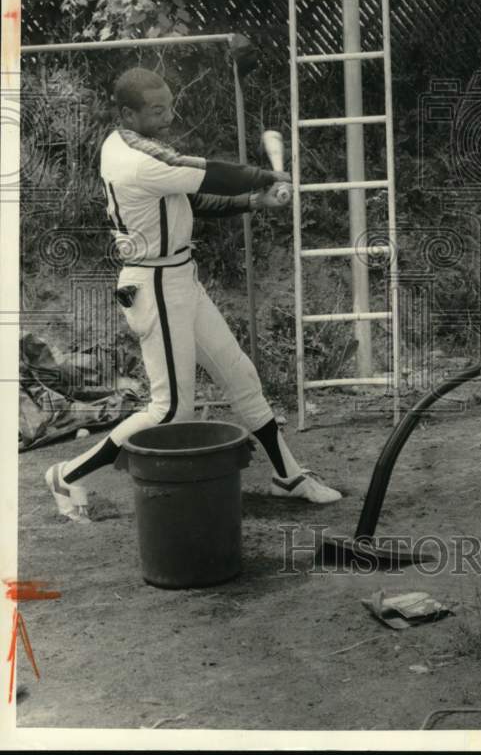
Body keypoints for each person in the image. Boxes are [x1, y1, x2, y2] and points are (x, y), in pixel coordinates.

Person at [46, 67, 341, 522]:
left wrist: (254, 199)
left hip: (179, 278)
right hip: (155, 285)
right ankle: (67, 473)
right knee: (169, 410)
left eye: (169, 106)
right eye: (157, 110)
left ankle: (289, 475)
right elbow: (206, 175)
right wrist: (265, 176)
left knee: (241, 377)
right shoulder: (136, 159)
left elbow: (192, 198)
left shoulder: (128, 142)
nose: (168, 117)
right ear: (128, 113)